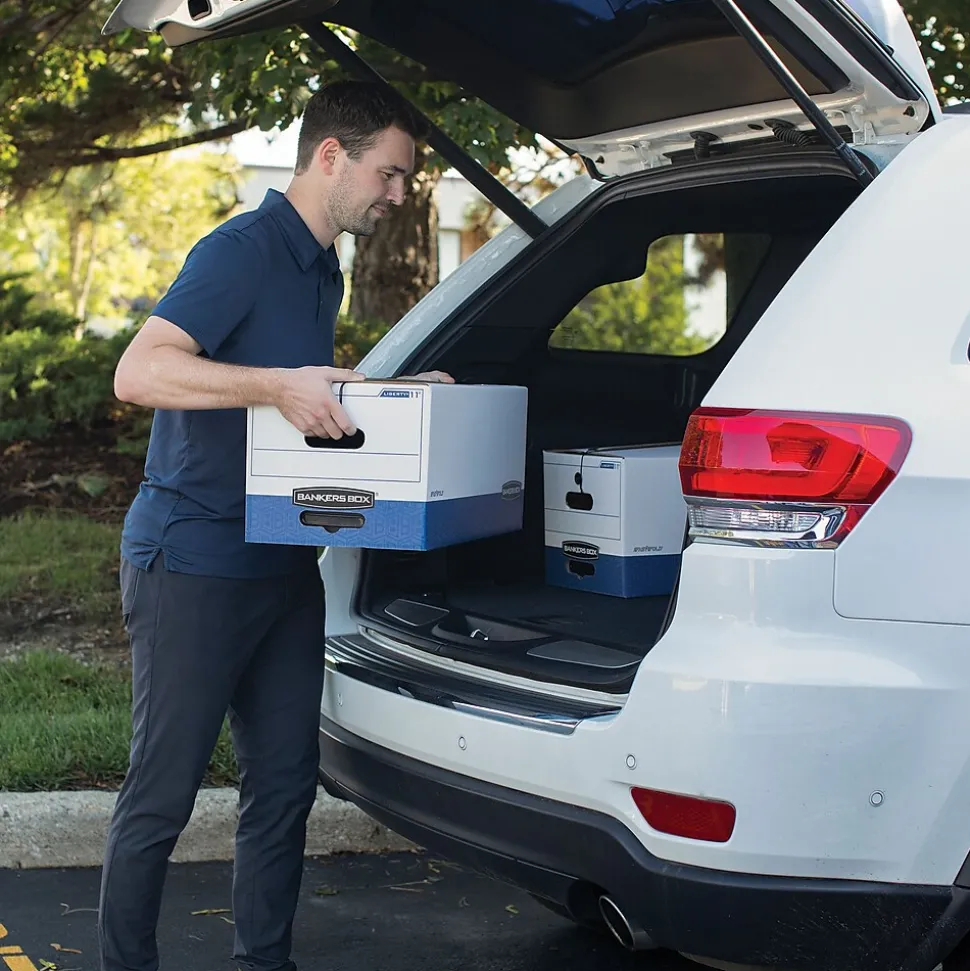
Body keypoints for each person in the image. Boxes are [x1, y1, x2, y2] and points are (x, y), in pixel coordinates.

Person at [100, 80, 452, 971]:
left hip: (283, 560)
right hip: (194, 559)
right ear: (331, 156)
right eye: (389, 173)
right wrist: (273, 386)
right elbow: (140, 371)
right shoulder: (242, 250)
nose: (398, 193)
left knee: (287, 785)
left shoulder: (322, 264)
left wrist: (396, 397)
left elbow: (300, 393)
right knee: (162, 796)